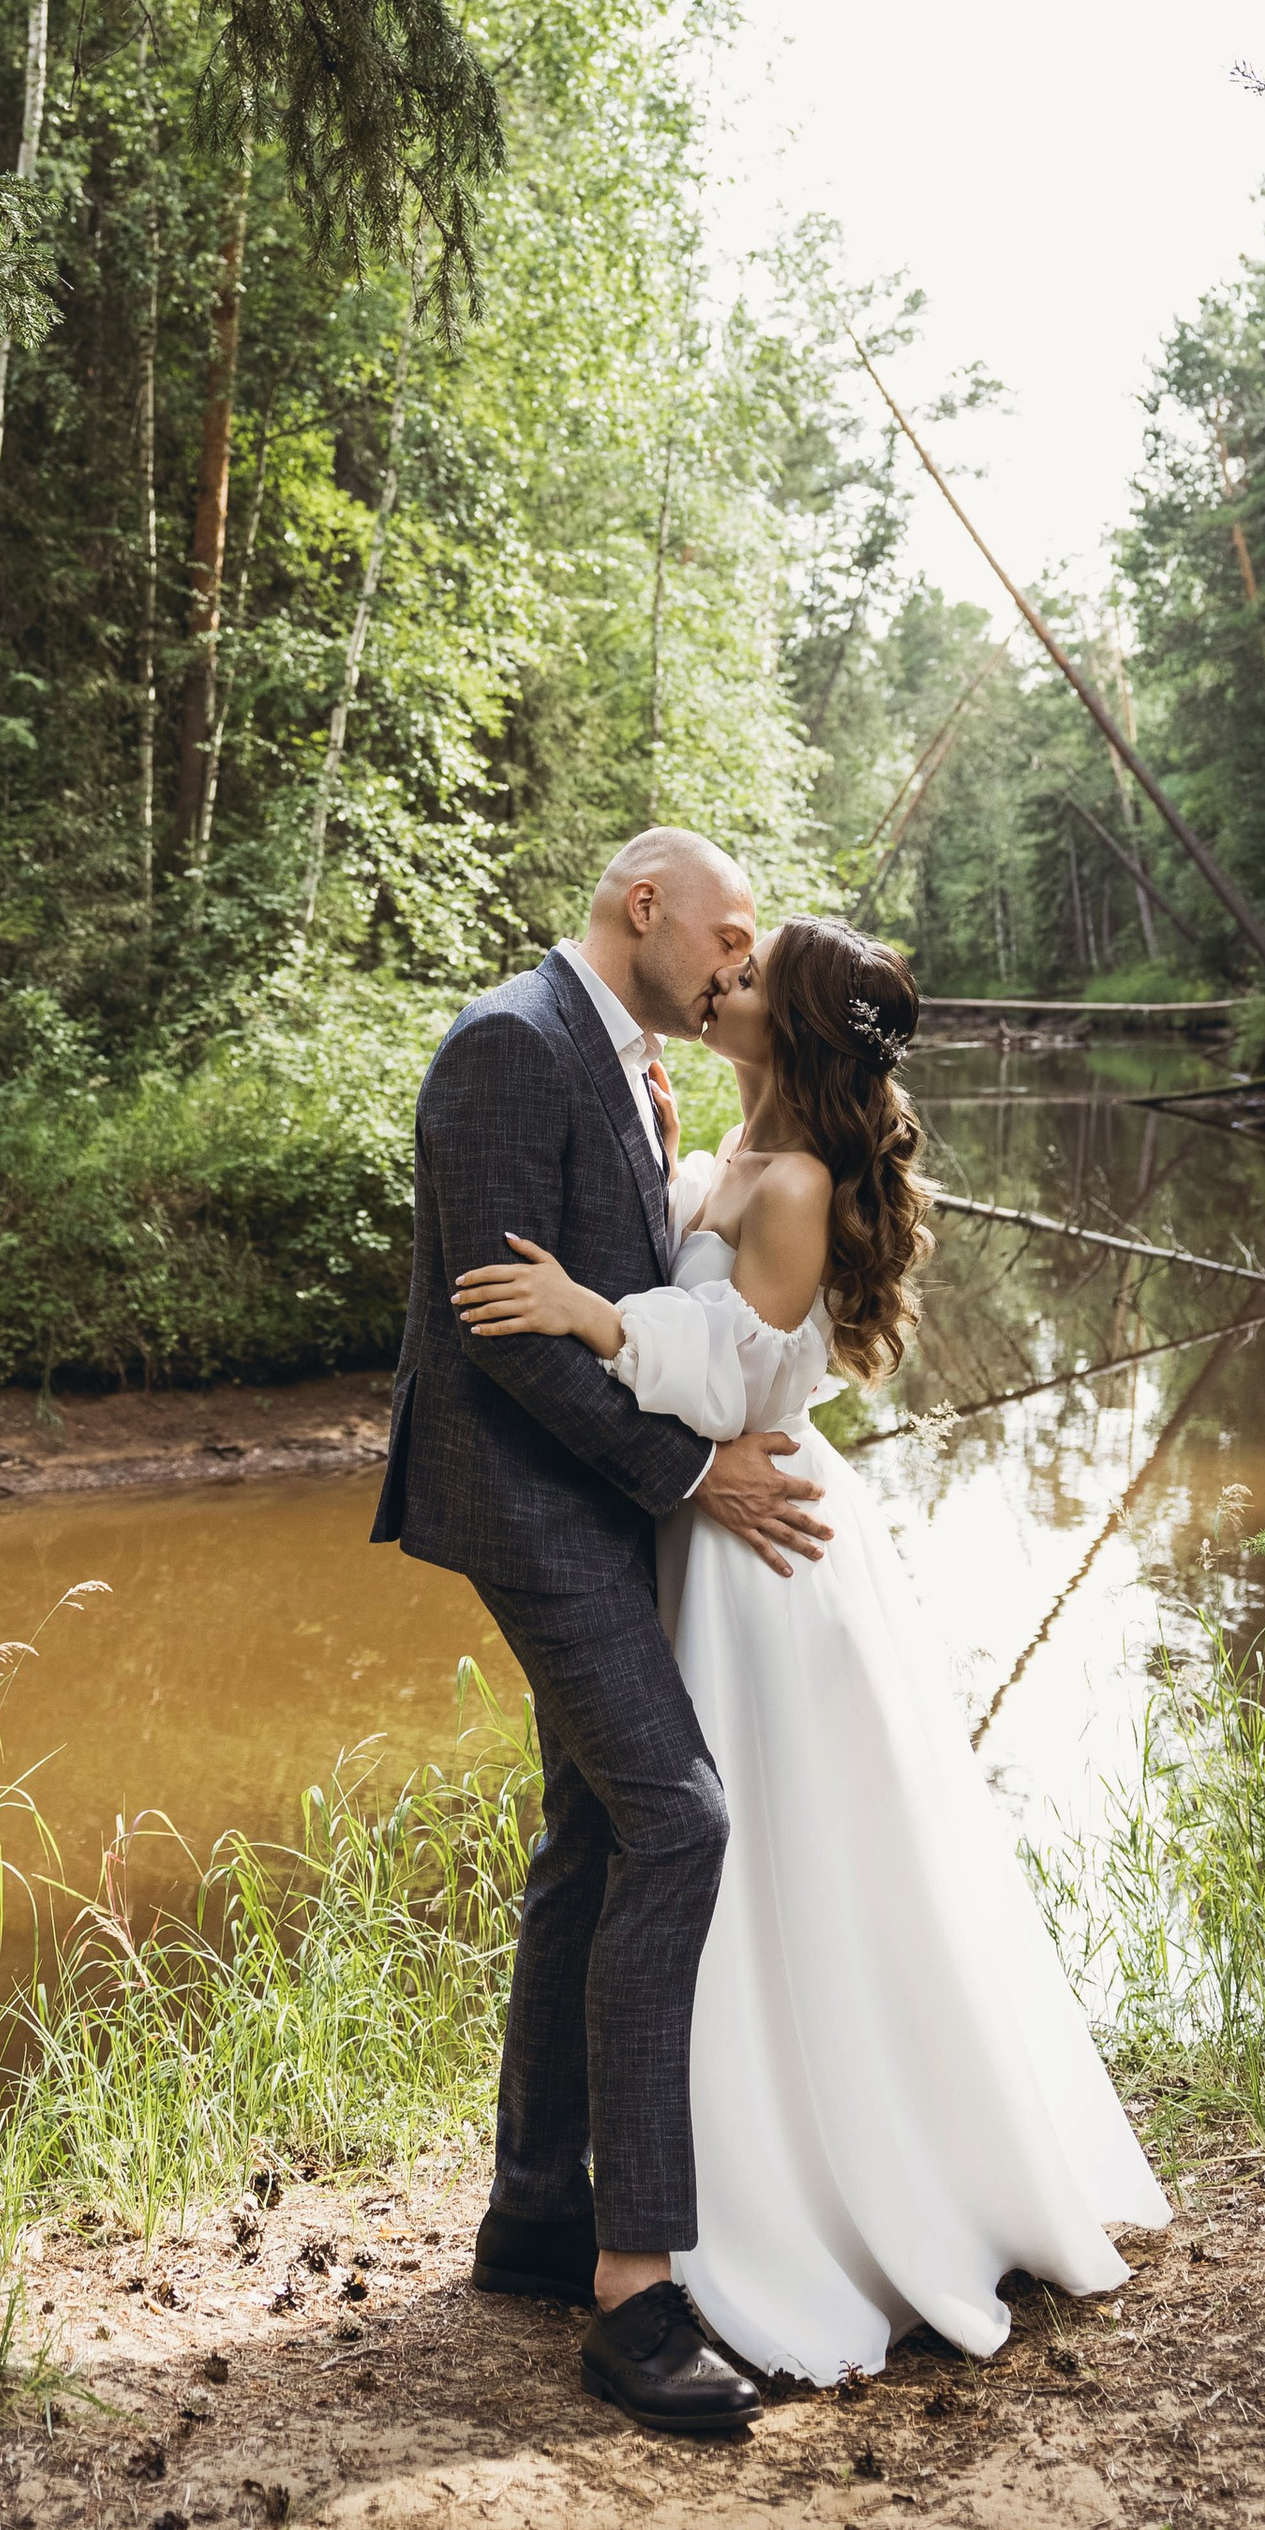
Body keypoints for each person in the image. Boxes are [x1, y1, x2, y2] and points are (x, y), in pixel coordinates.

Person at [453, 913, 1171, 2389]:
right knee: (672, 1845)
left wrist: (586, 1314)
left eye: (750, 976)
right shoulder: (740, 1147)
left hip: (757, 1541)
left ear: (789, 1027)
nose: (724, 982)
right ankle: (603, 2187)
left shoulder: (792, 1183)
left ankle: (794, 2192)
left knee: (756, 1855)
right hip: (708, 1533)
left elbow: (723, 1373)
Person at [370, 829, 832, 2439]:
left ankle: (531, 2219)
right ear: (647, 908)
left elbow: (648, 1305)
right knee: (677, 1822)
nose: (736, 959)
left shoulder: (630, 1058)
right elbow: (507, 1343)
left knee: (586, 1838)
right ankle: (635, 2293)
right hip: (532, 1502)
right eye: (728, 929)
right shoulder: (511, 1043)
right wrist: (695, 1471)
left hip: (595, 1497)